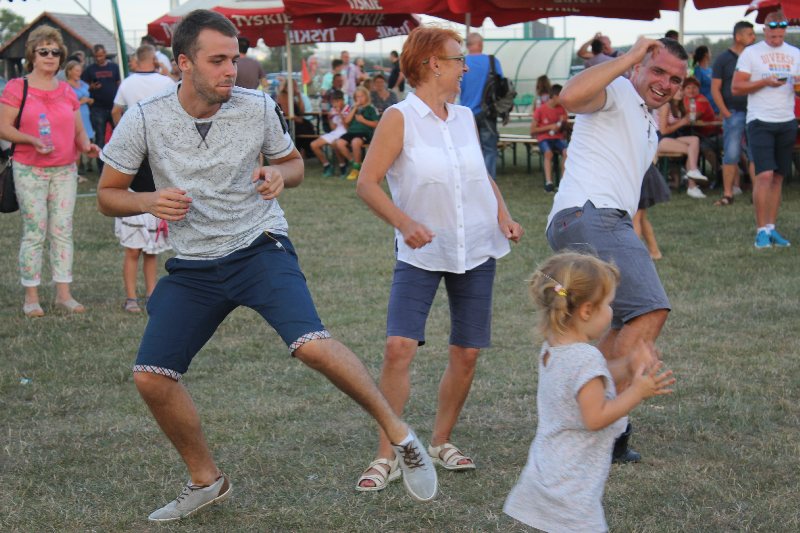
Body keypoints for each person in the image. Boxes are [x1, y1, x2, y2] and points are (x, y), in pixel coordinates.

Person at [96, 10, 438, 521]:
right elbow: (107, 194)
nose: (230, 70)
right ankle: (206, 480)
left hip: (259, 246)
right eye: (217, 60)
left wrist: (280, 176)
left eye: (234, 59)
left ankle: (400, 434)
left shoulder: (256, 105)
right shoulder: (145, 117)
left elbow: (294, 164)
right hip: (194, 264)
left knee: (311, 344)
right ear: (183, 63)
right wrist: (147, 201)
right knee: (151, 377)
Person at [354, 25, 523, 493]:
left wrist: (504, 216)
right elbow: (367, 183)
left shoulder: (465, 117)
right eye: (458, 59)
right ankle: (386, 454)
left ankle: (441, 441)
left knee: (467, 351)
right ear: (433, 64)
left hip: (477, 246)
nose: (465, 67)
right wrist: (404, 223)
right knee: (399, 347)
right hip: (421, 252)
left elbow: (480, 176)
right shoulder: (399, 117)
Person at [547, 36, 688, 462]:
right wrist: (628, 57)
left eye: (675, 79)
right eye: (657, 71)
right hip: (592, 213)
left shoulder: (647, 118)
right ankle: (607, 428)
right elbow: (570, 97)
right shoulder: (619, 90)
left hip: (593, 218)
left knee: (623, 322)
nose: (665, 84)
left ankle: (584, 417)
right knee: (649, 310)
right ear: (638, 67)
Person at [503, 252, 674, 532]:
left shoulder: (554, 348)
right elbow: (595, 417)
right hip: (571, 488)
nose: (611, 312)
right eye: (608, 305)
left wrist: (628, 366)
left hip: (547, 472)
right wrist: (637, 392)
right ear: (586, 311)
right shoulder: (585, 358)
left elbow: (587, 382)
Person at [0, 25, 100, 317]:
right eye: (43, 51)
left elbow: (78, 131)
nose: (50, 56)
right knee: (35, 232)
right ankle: (31, 297)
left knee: (62, 231)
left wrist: (87, 146)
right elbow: (3, 127)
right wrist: (30, 139)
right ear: (32, 54)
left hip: (65, 171)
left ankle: (63, 295)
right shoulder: (17, 87)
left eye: (55, 52)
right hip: (29, 169)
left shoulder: (67, 91)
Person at [110, 44, 176, 313]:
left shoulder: (127, 83)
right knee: (151, 249)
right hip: (159, 167)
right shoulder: (167, 83)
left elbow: (115, 111)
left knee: (134, 249)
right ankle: (150, 293)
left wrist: (122, 131)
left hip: (133, 172)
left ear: (137, 61)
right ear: (155, 60)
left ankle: (132, 298)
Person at [732, 11, 798, 249]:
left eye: (780, 36)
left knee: (778, 176)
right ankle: (760, 231)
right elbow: (736, 87)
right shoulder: (752, 53)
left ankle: (771, 228)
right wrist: (764, 82)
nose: (776, 40)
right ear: (765, 31)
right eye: (772, 36)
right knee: (764, 175)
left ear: (785, 31)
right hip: (760, 120)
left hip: (787, 119)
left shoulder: (795, 53)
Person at [711, 20, 756, 207]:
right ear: (738, 37)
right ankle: (728, 194)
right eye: (750, 34)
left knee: (755, 154)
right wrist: (725, 112)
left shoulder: (754, 57)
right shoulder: (723, 59)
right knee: (731, 154)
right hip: (734, 112)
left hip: (755, 112)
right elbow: (715, 88)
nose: (754, 37)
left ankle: (758, 193)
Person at [461, 33, 503, 179]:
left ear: (468, 45)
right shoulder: (492, 61)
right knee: (489, 149)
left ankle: (471, 180)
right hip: (488, 112)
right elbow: (501, 86)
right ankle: (488, 183)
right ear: (480, 44)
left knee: (469, 150)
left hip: (466, 113)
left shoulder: (461, 62)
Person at [656, 83, 710, 198]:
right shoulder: (665, 105)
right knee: (691, 150)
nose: (680, 92)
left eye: (681, 90)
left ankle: (693, 173)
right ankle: (692, 185)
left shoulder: (679, 107)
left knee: (695, 140)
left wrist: (686, 121)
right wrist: (681, 122)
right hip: (661, 140)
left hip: (673, 137)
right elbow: (663, 130)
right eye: (678, 90)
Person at [81, 43, 120, 172]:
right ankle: (101, 167)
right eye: (96, 56)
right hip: (97, 108)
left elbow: (119, 84)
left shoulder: (114, 67)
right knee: (100, 137)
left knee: (119, 135)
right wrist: (91, 87)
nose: (99, 58)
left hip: (114, 107)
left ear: (105, 54)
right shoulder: (89, 69)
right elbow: (82, 87)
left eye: (101, 55)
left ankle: (118, 164)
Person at [334, 86, 378, 181]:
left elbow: (376, 124)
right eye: (357, 97)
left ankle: (355, 169)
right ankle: (355, 163)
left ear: (366, 97)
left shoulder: (371, 108)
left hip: (364, 133)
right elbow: (347, 121)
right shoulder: (354, 108)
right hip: (352, 132)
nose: (360, 98)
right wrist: (355, 108)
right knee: (339, 143)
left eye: (362, 96)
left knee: (355, 142)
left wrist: (363, 120)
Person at [530, 83, 568, 192]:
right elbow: (532, 130)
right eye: (561, 96)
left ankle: (563, 182)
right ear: (555, 96)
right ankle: (549, 183)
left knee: (567, 152)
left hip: (558, 137)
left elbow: (565, 128)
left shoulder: (561, 109)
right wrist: (550, 127)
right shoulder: (540, 110)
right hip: (544, 138)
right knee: (548, 153)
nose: (563, 99)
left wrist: (563, 123)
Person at [64, 59, 94, 182]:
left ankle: (86, 166)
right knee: (75, 144)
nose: (79, 73)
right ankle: (75, 173)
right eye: (76, 71)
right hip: (74, 116)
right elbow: (66, 104)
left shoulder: (83, 84)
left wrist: (90, 101)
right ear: (69, 71)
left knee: (88, 140)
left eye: (80, 71)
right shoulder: (65, 86)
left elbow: (88, 97)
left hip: (86, 115)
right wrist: (82, 101)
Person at [634, 163, 670, 260]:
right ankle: (654, 251)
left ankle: (633, 255)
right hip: (642, 172)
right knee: (641, 218)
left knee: (635, 218)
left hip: (640, 175)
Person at [310, 89, 347, 177]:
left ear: (342, 100)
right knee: (313, 145)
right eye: (333, 102)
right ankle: (326, 165)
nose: (335, 104)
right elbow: (333, 128)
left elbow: (347, 126)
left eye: (336, 101)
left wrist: (340, 114)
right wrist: (330, 118)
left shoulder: (348, 108)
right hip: (336, 132)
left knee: (334, 144)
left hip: (345, 133)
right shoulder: (333, 110)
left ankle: (342, 165)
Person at [276, 77, 316, 157]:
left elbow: (302, 111)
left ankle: (307, 152)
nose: (296, 88)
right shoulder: (283, 95)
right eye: (294, 86)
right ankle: (307, 152)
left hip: (297, 121)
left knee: (308, 127)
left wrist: (299, 96)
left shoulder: (292, 97)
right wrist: (298, 119)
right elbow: (287, 112)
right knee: (305, 129)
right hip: (288, 122)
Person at [691, 45, 717, 114]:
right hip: (704, 107)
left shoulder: (710, 70)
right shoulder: (698, 71)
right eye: (710, 52)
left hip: (715, 106)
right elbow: (695, 89)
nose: (711, 54)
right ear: (706, 55)